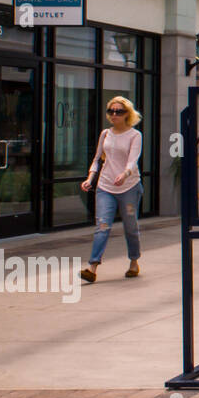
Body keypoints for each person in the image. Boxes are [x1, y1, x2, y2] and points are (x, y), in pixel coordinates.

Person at [79, 96, 144, 283]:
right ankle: (92, 267)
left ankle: (133, 261)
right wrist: (90, 177)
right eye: (111, 111)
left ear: (127, 114)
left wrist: (125, 174)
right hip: (105, 186)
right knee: (102, 226)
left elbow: (133, 160)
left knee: (130, 226)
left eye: (119, 111)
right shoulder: (105, 134)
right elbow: (97, 158)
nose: (114, 114)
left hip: (129, 187)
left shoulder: (134, 135)